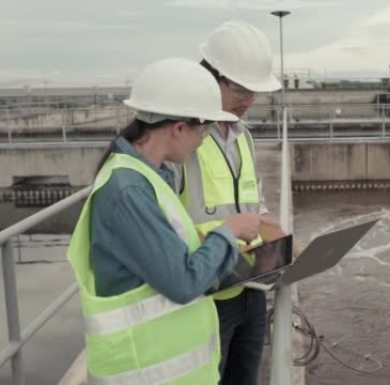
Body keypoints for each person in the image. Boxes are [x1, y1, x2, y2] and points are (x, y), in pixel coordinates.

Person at [66, 57, 264, 385]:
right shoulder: (127, 191)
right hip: (143, 371)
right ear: (179, 128)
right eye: (204, 130)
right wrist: (228, 231)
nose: (204, 140)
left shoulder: (149, 178)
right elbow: (183, 282)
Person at [176, 20, 283, 385]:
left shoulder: (243, 137)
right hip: (203, 297)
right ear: (211, 79)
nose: (249, 101)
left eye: (255, 91)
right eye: (241, 90)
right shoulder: (181, 141)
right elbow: (165, 223)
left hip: (249, 287)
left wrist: (287, 243)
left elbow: (258, 208)